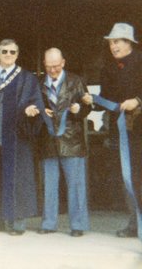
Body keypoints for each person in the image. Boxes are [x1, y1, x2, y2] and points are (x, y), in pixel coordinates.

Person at [0, 39, 43, 235]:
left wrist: (31, 109)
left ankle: (16, 224)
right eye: (5, 51)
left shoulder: (27, 79)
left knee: (17, 178)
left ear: (17, 55)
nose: (9, 55)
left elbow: (36, 101)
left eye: (13, 52)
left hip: (16, 136)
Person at [83, 22, 142, 238]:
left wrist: (138, 100)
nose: (113, 46)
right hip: (121, 131)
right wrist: (92, 100)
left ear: (129, 43)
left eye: (117, 41)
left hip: (140, 129)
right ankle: (134, 223)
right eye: (111, 42)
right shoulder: (107, 68)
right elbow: (107, 100)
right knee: (129, 178)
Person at [37, 48, 90, 237]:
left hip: (72, 139)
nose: (53, 70)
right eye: (49, 66)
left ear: (64, 62)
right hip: (48, 139)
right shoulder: (38, 82)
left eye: (57, 66)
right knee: (49, 184)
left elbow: (88, 106)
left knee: (75, 185)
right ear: (44, 64)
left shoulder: (77, 81)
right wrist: (38, 110)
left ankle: (78, 225)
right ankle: (49, 223)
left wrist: (80, 109)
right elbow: (33, 106)